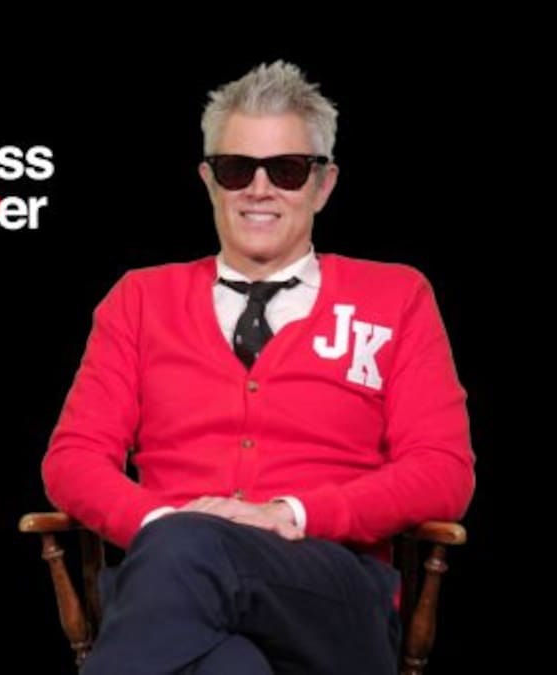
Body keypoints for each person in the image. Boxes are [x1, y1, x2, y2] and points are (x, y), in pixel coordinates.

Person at [41, 60, 474, 675]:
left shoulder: (397, 297)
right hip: (170, 584)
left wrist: (290, 514)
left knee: (187, 558)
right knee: (230, 665)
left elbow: (443, 472)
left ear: (322, 185)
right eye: (237, 169)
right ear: (209, 181)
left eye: (287, 170)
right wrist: (163, 527)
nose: (259, 189)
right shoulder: (139, 300)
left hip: (331, 592)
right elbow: (73, 459)